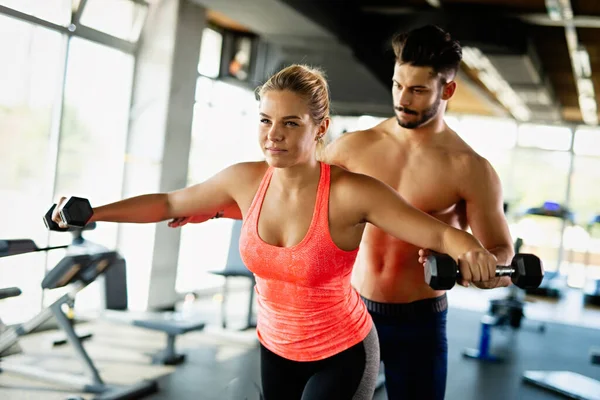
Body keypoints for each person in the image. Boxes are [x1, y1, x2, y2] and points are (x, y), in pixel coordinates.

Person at [53, 64, 500, 400]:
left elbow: (439, 235)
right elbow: (170, 203)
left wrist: (471, 249)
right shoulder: (245, 181)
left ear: (320, 128)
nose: (274, 135)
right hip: (275, 346)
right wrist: (93, 213)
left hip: (344, 350)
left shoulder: (351, 193)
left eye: (291, 123)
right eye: (266, 120)